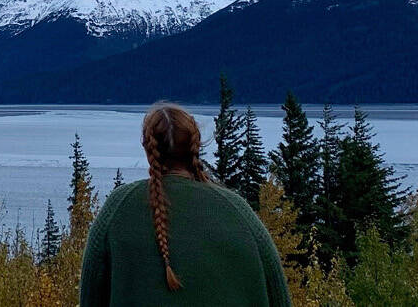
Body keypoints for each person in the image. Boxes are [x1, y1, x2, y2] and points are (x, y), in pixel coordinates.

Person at [79, 102, 291, 307]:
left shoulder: (118, 208)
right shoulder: (238, 211)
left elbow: (90, 298)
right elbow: (279, 297)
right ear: (195, 146)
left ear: (148, 147)